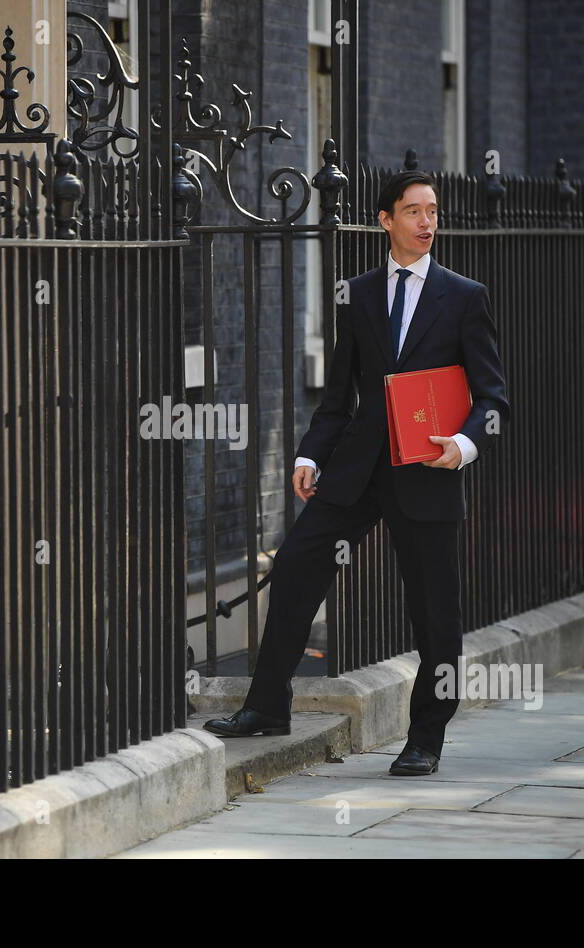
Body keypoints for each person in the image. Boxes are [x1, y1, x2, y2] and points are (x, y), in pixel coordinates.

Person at [203, 170, 511, 775]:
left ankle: (426, 736)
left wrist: (464, 445)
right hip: (357, 471)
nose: (428, 222)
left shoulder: (465, 296)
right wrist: (309, 455)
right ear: (385, 220)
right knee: (294, 567)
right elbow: (339, 396)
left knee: (435, 613)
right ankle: (267, 706)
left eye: (433, 211)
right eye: (414, 211)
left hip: (427, 471)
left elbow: (492, 398)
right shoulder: (360, 294)